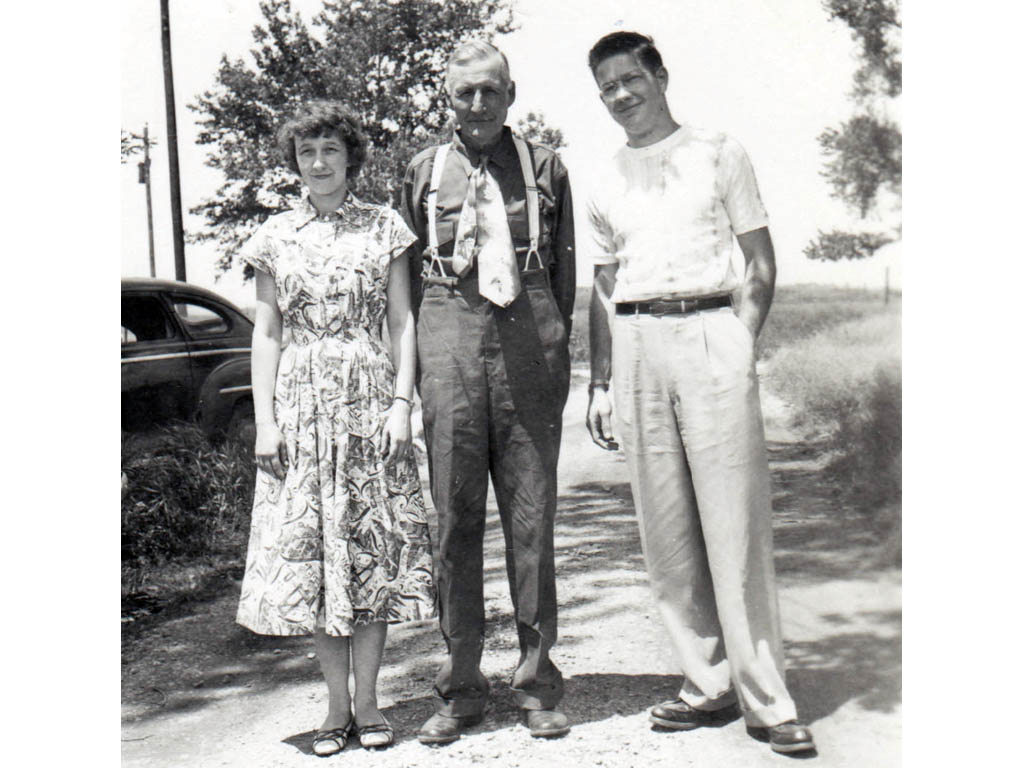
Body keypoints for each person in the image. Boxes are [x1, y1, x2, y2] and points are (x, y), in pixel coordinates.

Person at [583, 32, 816, 755]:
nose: (621, 95)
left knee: (735, 525)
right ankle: (705, 683)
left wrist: (739, 344)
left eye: (631, 79)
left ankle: (767, 697)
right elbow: (603, 284)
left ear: (659, 76)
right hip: (637, 346)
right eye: (607, 87)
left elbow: (760, 260)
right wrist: (599, 379)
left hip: (712, 331)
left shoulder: (720, 151)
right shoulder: (605, 177)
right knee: (668, 531)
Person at [235, 100, 435, 756]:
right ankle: (334, 708)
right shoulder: (273, 236)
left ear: (351, 158)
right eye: (306, 153)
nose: (318, 164)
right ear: (295, 162)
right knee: (322, 563)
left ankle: (372, 705)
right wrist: (265, 422)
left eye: (330, 151)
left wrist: (402, 405)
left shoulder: (385, 227)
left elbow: (403, 321)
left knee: (369, 554)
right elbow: (266, 332)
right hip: (299, 406)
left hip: (367, 401)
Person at [399, 40, 575, 744]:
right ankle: (461, 687)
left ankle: (536, 684)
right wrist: (412, 381)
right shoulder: (422, 171)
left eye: (490, 91)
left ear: (511, 93)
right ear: (448, 96)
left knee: (532, 522)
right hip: (450, 334)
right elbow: (405, 281)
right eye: (465, 92)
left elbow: (563, 273)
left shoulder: (545, 166)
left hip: (529, 342)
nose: (478, 104)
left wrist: (557, 353)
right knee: (455, 521)